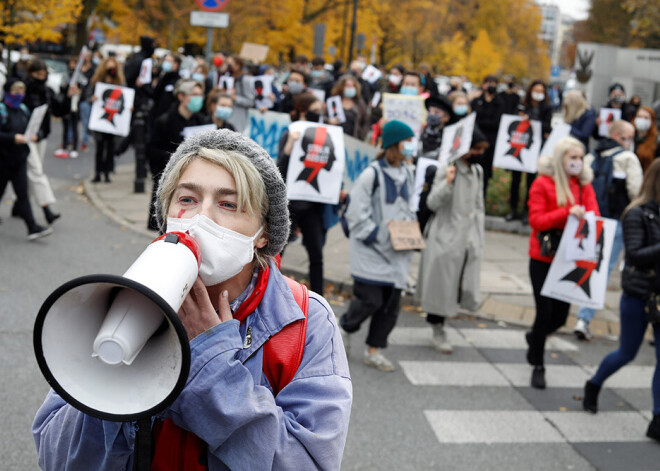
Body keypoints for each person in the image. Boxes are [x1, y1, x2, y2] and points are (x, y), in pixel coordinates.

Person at [32, 128, 352, 469]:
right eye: (187, 199)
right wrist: (114, 379)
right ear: (166, 211)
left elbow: (309, 462)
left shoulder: (304, 320)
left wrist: (212, 369)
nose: (202, 218)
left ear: (264, 234)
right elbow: (57, 457)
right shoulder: (120, 296)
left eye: (228, 204)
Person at [582, 158, 660, 442]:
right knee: (627, 352)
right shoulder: (636, 213)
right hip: (639, 294)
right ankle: (594, 384)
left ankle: (657, 419)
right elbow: (636, 255)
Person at [339, 120, 417, 372]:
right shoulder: (371, 174)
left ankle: (374, 350)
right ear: (395, 144)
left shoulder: (408, 172)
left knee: (390, 307)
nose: (411, 146)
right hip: (372, 251)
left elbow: (408, 207)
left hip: (398, 252)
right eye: (407, 141)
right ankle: (346, 327)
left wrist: (409, 234)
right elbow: (356, 213)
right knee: (369, 300)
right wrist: (376, 236)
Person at [526, 136, 599, 388]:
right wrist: (565, 213)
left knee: (559, 317)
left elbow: (594, 216)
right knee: (544, 312)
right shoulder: (542, 184)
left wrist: (585, 216)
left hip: (568, 259)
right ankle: (538, 363)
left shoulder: (583, 185)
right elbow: (537, 221)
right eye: (572, 157)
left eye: (580, 158)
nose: (577, 162)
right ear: (561, 159)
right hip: (543, 257)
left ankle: (535, 338)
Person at [416, 128, 489, 353]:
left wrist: (478, 236)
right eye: (476, 149)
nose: (479, 154)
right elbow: (432, 203)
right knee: (441, 288)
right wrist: (447, 183)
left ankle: (441, 325)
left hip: (467, 238)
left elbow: (478, 206)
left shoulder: (477, 171)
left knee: (457, 287)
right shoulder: (446, 168)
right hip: (444, 236)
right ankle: (438, 328)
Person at [573, 120, 643, 340]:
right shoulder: (628, 158)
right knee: (603, 269)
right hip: (616, 222)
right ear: (620, 136)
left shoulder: (593, 156)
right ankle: (584, 318)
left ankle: (572, 312)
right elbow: (636, 191)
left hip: (591, 219)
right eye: (629, 136)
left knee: (584, 263)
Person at [276, 93, 328, 295]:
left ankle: (319, 296)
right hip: (290, 204)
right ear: (304, 111)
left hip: (312, 204)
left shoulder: (322, 135)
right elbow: (279, 169)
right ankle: (269, 292)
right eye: (315, 111)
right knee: (278, 252)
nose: (318, 114)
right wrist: (289, 146)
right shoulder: (289, 133)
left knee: (316, 254)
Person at [147, 78, 208, 231]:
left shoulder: (202, 121)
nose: (198, 99)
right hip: (170, 179)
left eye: (200, 95)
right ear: (181, 96)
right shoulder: (164, 121)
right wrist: (174, 158)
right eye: (194, 94)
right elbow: (152, 150)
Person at [0, 79, 52, 240]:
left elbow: (33, 128)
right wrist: (13, 138)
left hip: (19, 159)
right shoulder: (2, 110)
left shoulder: (23, 110)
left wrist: (37, 136)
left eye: (21, 92)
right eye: (16, 92)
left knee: (22, 194)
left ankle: (32, 227)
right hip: (2, 160)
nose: (19, 95)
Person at [22, 58, 64, 224]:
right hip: (27, 136)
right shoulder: (24, 89)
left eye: (43, 74)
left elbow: (59, 109)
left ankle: (19, 205)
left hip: (41, 136)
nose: (41, 77)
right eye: (37, 74)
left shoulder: (47, 91)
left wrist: (68, 95)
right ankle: (46, 210)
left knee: (26, 174)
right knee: (36, 172)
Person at [507, 80, 553, 224]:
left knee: (531, 182)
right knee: (515, 180)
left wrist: (532, 120)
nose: (538, 94)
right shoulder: (522, 105)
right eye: (536, 90)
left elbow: (547, 127)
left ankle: (528, 212)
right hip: (519, 146)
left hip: (533, 148)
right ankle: (512, 209)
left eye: (541, 91)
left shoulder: (546, 108)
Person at [89, 56, 125, 183]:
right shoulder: (96, 82)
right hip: (100, 120)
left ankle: (107, 173)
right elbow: (88, 97)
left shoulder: (119, 82)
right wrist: (91, 99)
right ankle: (97, 173)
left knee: (110, 147)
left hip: (112, 120)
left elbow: (124, 99)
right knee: (99, 147)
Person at [471, 75, 505, 198]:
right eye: (488, 82)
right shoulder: (477, 101)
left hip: (490, 143)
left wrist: (481, 123)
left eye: (493, 83)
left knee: (484, 174)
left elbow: (497, 123)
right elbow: (472, 118)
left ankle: (481, 200)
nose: (491, 86)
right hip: (475, 141)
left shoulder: (499, 102)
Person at [328, 75, 369, 140]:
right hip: (334, 138)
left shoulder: (360, 104)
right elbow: (324, 116)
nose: (350, 88)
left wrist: (361, 136)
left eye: (352, 86)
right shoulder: (334, 101)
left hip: (352, 139)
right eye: (348, 86)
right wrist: (329, 121)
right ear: (341, 87)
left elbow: (365, 122)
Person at [224, 56, 254, 133]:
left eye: (231, 64)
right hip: (226, 116)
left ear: (238, 65)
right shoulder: (228, 77)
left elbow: (250, 101)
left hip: (238, 120)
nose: (229, 67)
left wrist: (235, 98)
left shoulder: (244, 79)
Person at [633, 106, 659, 172]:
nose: (642, 120)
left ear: (652, 121)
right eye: (639, 117)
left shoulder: (656, 141)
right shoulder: (627, 136)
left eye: (646, 118)